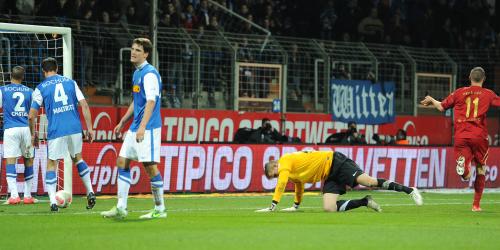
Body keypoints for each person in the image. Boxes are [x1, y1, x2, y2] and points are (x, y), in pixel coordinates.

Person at [101, 38, 166, 219]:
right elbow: (137, 101)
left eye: (138, 50)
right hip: (135, 126)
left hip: (148, 128)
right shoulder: (137, 73)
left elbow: (151, 101)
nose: (133, 52)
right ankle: (121, 208)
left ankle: (160, 209)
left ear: (145, 54)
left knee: (150, 167)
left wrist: (143, 126)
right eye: (132, 48)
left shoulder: (149, 74)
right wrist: (123, 121)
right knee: (122, 161)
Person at [421, 67, 500, 212]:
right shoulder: (488, 94)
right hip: (479, 136)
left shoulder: (459, 92)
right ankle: (476, 205)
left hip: (461, 135)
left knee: (465, 175)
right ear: (484, 79)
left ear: (470, 77)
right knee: (481, 169)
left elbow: (441, 107)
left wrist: (432, 99)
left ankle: (464, 169)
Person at [28, 57, 96, 212]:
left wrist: (33, 134)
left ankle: (52, 202)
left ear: (43, 71)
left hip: (56, 130)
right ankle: (90, 191)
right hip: (74, 127)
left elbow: (31, 115)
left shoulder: (40, 88)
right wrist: (90, 128)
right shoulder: (71, 82)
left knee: (52, 163)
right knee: (78, 158)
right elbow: (84, 105)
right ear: (57, 68)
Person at [256, 150, 423, 213]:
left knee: (369, 182)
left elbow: (282, 184)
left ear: (275, 166)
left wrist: (273, 206)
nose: (277, 177)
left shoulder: (284, 162)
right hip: (328, 175)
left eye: (274, 174)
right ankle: (365, 201)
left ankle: (409, 190)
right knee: (329, 208)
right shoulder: (290, 172)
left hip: (336, 162)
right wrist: (296, 205)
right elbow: (298, 187)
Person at [0, 66, 36, 205]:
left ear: (11, 76)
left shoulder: (3, 90)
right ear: (22, 77)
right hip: (25, 129)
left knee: (10, 161)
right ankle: (27, 196)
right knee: (28, 160)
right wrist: (33, 134)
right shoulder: (30, 91)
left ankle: (14, 196)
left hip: (10, 130)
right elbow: (32, 116)